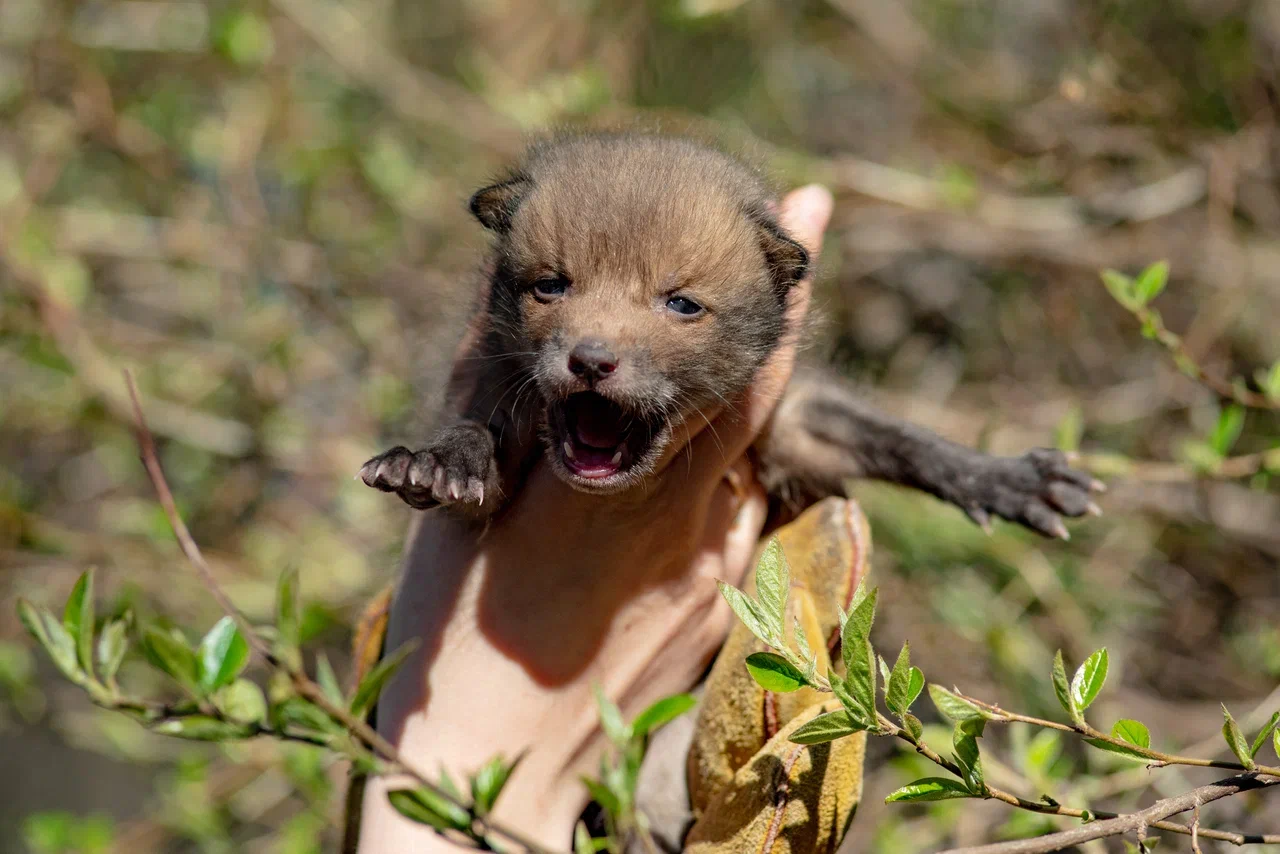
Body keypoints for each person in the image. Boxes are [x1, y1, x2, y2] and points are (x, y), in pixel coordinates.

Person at [356, 185, 835, 852]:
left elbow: (810, 426)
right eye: (551, 286)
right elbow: (489, 428)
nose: (594, 338)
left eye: (682, 304)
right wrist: (464, 742)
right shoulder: (506, 376)